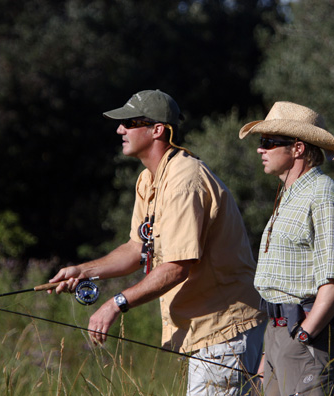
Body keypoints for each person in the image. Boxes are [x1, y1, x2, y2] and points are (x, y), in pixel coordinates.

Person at [48, 89, 266, 396]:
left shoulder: (184, 182)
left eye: (129, 122)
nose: (119, 129)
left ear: (157, 130)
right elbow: (137, 248)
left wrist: (115, 303)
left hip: (224, 328)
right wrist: (83, 271)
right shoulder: (149, 179)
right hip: (205, 329)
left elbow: (178, 267)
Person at [238, 101, 334, 396]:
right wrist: (274, 345)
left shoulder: (324, 196)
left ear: (298, 148)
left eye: (268, 142)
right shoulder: (290, 196)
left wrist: (304, 333)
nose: (260, 149)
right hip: (278, 333)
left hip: (305, 335)